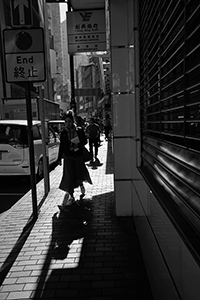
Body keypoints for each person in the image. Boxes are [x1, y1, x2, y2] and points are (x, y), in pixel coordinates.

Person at [57, 111, 92, 206]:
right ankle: (71, 196)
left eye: (69, 121)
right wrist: (59, 158)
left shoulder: (79, 130)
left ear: (73, 121)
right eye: (66, 122)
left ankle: (81, 184)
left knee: (79, 172)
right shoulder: (63, 133)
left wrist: (77, 144)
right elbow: (61, 146)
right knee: (69, 176)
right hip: (68, 157)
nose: (68, 124)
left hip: (78, 155)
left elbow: (84, 141)